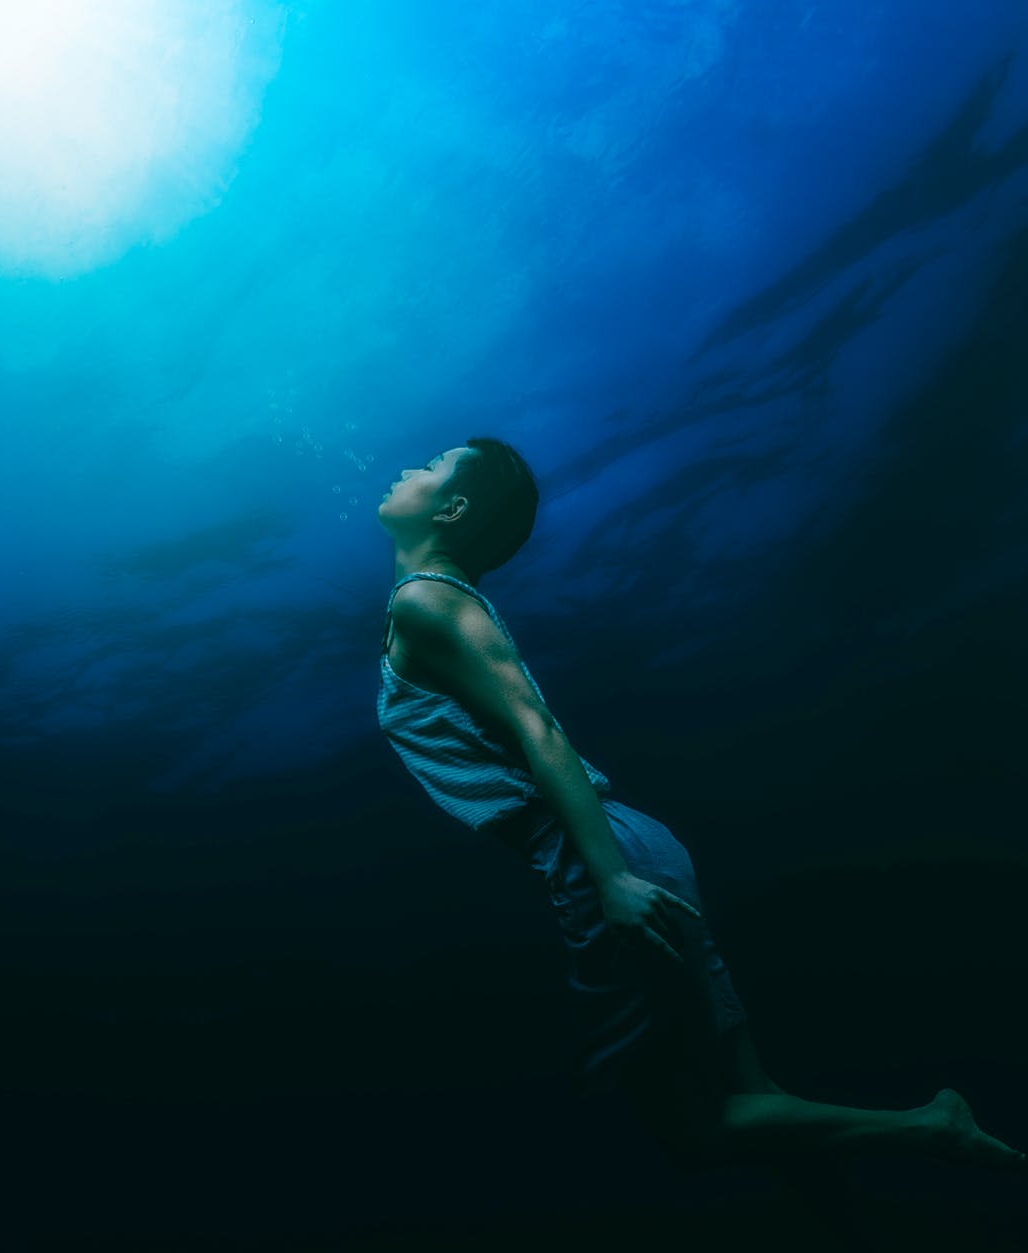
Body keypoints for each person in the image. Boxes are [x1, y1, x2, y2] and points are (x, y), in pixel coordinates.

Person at [375, 437, 1024, 1172]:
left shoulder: (427, 600)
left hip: (603, 859)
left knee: (692, 1126)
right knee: (755, 1095)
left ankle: (933, 1127)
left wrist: (613, 879)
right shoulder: (435, 601)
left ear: (454, 507)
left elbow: (539, 730)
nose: (407, 469)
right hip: (628, 845)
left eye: (428, 466)